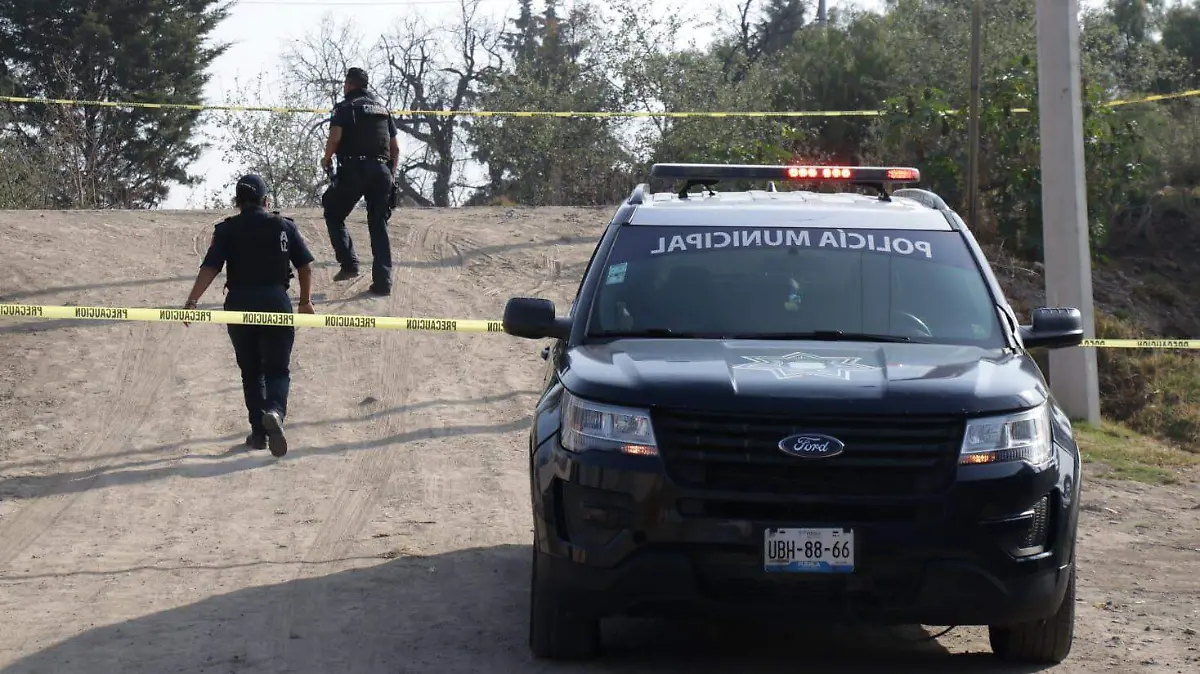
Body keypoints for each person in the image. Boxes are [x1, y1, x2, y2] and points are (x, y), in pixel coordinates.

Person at [182, 175, 316, 457]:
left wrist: (193, 301)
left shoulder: (227, 230)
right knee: (277, 369)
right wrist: (305, 301)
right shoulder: (284, 226)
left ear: (237, 203)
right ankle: (275, 411)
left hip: (239, 303)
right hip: (276, 302)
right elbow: (305, 266)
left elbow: (211, 267)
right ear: (266, 201)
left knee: (251, 371)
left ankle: (259, 433)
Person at [321, 66, 400, 296]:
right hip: (382, 171)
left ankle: (349, 264)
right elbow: (395, 148)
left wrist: (326, 159)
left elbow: (335, 138)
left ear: (350, 84)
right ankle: (383, 282)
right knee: (378, 225)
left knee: (333, 212)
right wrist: (391, 174)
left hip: (355, 169)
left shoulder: (344, 107)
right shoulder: (383, 110)